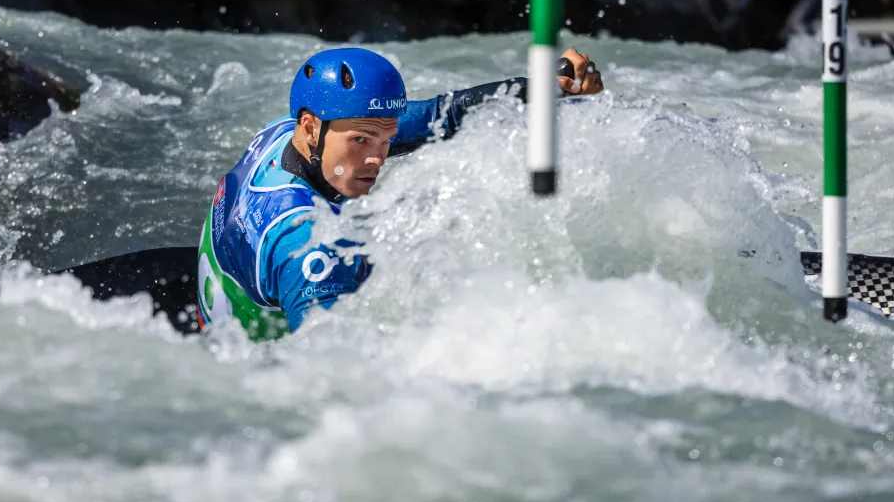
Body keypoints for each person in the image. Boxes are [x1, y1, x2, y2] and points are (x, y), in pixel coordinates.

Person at [196, 46, 604, 339]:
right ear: (310, 127)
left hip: (217, 303)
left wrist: (544, 89)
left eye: (386, 139)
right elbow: (328, 376)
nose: (377, 158)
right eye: (361, 140)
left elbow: (441, 115)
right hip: (235, 363)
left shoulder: (282, 133)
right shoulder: (307, 242)